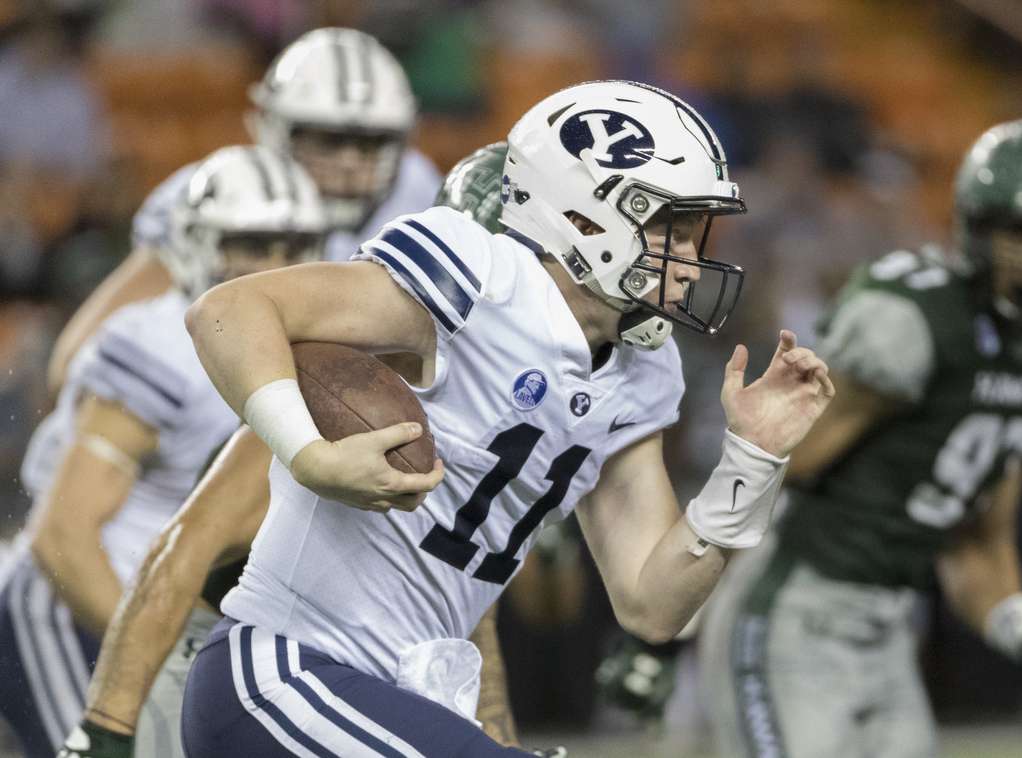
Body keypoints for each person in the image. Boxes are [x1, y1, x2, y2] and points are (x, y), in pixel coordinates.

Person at [179, 79, 833, 756]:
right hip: (285, 670)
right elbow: (227, 311)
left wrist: (752, 461)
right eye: (671, 227)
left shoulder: (644, 370)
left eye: (697, 233)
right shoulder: (480, 274)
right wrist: (307, 453)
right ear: (583, 217)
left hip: (398, 695)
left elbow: (653, 603)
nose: (691, 261)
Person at [53, 144, 531, 758]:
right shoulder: (341, 389)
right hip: (232, 664)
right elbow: (182, 551)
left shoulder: (501, 401)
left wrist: (499, 732)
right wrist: (105, 725)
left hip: (369, 668)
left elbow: (468, 596)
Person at [699, 119, 1022, 757]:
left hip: (889, 631)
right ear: (978, 229)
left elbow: (976, 545)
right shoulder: (914, 323)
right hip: (796, 614)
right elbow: (784, 463)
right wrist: (666, 619)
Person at [0, 145, 327, 757]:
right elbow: (62, 536)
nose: (277, 265)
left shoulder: (311, 341)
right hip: (71, 602)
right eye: (254, 244)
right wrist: (157, 641)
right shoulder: (160, 342)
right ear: (199, 243)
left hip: (171, 612)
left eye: (295, 244)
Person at [46, 26, 441, 397]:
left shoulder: (419, 188)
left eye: (371, 144)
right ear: (272, 128)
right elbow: (75, 363)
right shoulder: (217, 192)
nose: (349, 162)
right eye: (327, 139)